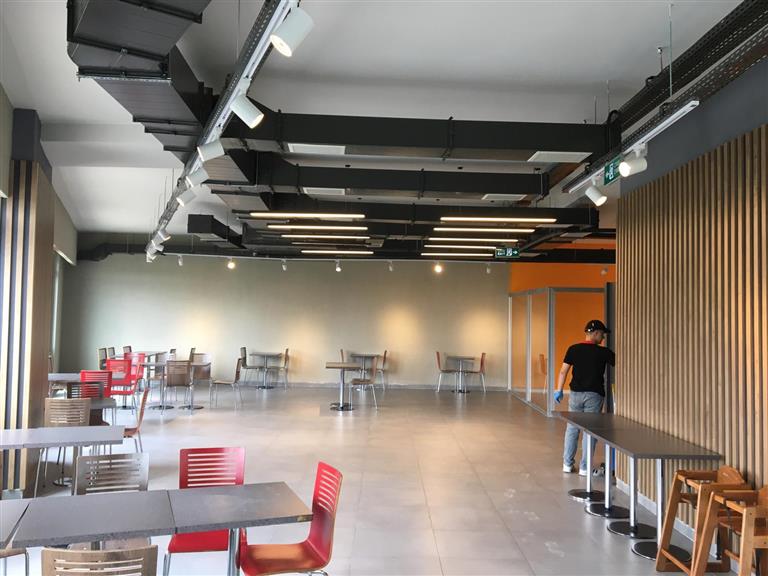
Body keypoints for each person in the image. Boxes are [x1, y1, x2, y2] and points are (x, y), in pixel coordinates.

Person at [554, 319, 615, 475]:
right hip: (594, 396)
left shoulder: (573, 349)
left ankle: (567, 464)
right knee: (590, 430)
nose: (603, 338)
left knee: (572, 428)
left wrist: (559, 390)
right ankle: (584, 467)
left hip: (575, 394)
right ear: (595, 333)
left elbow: (563, 371)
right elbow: (622, 365)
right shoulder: (604, 352)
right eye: (602, 334)